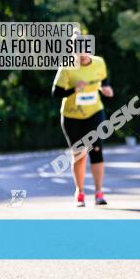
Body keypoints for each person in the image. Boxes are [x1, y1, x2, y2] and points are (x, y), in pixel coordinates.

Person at [52, 50, 114, 207]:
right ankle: (79, 192)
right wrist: (74, 90)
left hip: (94, 112)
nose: (82, 54)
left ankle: (99, 193)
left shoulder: (99, 62)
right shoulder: (67, 67)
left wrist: (106, 89)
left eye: (85, 50)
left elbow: (103, 81)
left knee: (96, 149)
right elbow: (56, 93)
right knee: (79, 155)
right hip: (72, 116)